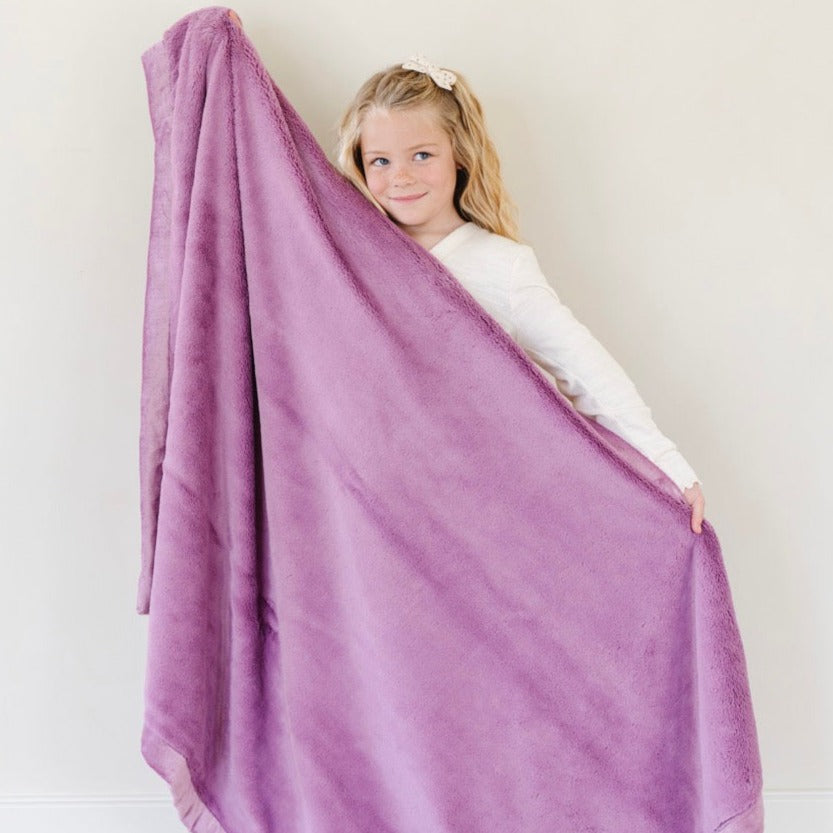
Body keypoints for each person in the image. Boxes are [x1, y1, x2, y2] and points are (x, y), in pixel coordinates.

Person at [226, 11, 705, 534]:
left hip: (466, 509)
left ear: (461, 158)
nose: (399, 177)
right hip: (365, 510)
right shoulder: (353, 256)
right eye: (379, 161)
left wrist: (670, 467)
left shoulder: (499, 265)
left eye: (422, 155)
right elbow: (269, 184)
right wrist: (227, 59)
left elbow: (585, 369)